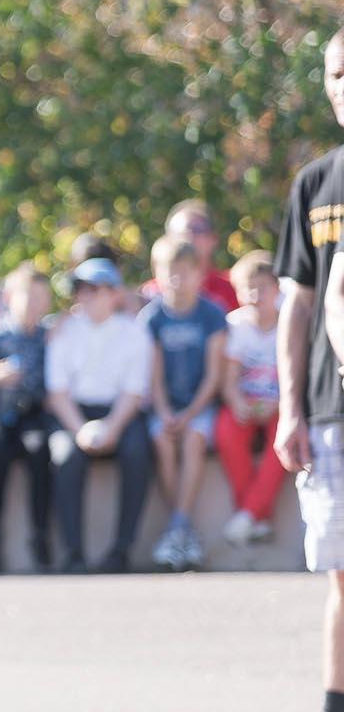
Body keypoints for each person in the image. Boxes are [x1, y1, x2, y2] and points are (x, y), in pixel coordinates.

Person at [260, 29, 344, 712]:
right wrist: (291, 406)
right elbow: (297, 304)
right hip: (330, 411)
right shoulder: (317, 185)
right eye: (336, 74)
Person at [45, 257, 154, 573]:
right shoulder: (62, 331)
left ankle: (122, 549)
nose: (85, 296)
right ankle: (73, 552)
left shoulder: (133, 333)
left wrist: (112, 428)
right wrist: (80, 430)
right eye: (80, 289)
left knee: (137, 453)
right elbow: (58, 393)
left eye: (93, 289)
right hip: (73, 414)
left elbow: (133, 393)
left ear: (113, 293)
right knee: (65, 457)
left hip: (119, 412)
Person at [0, 263, 57, 572]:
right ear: (10, 297)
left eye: (40, 298)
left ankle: (40, 533)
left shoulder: (49, 334)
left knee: (40, 449)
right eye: (27, 297)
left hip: (32, 414)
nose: (34, 305)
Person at [143, 236, 227, 572]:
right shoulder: (152, 318)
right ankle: (181, 529)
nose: (177, 279)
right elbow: (154, 375)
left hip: (200, 405)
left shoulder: (212, 315)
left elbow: (214, 375)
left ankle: (179, 524)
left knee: (194, 439)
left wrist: (190, 413)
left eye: (184, 271)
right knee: (162, 439)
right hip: (165, 406)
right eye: (169, 272)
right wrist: (165, 412)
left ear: (198, 273)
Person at [217, 252, 285, 546]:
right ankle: (257, 515)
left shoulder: (290, 322)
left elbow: (298, 376)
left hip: (281, 405)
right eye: (249, 288)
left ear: (277, 288)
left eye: (263, 287)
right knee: (226, 429)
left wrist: (280, 404)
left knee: (284, 439)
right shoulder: (235, 325)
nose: (256, 295)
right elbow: (229, 379)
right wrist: (237, 402)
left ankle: (247, 514)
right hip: (246, 402)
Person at [154, 201, 238, 313]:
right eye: (180, 233)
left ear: (213, 239)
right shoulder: (151, 293)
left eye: (197, 231)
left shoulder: (236, 289)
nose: (188, 238)